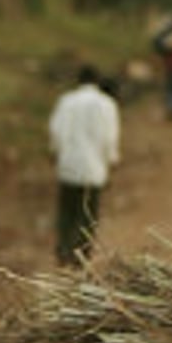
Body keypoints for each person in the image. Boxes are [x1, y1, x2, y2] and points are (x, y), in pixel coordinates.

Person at [47, 64, 121, 267]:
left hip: (68, 166)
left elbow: (56, 131)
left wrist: (55, 153)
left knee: (67, 212)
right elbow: (109, 138)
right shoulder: (107, 104)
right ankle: (80, 257)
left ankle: (63, 251)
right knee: (87, 215)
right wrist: (112, 160)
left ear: (78, 81)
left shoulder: (66, 101)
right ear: (97, 81)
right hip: (93, 170)